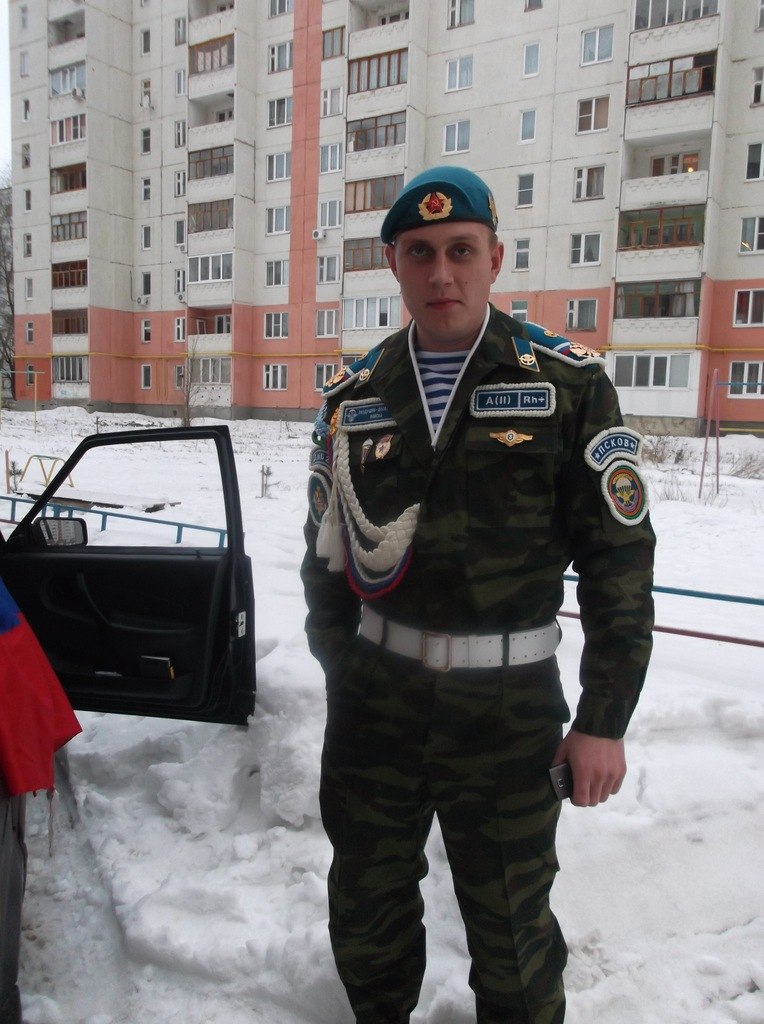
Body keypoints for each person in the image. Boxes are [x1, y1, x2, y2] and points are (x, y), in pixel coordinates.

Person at [300, 165, 655, 1024]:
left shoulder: (568, 387)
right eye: (420, 253)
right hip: (378, 705)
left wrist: (604, 719)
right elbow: (325, 561)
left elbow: (619, 563)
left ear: (495, 258)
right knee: (367, 913)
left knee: (511, 932)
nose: (441, 274)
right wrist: (346, 671)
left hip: (506, 710)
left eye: (461, 251)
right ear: (394, 263)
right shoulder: (355, 398)